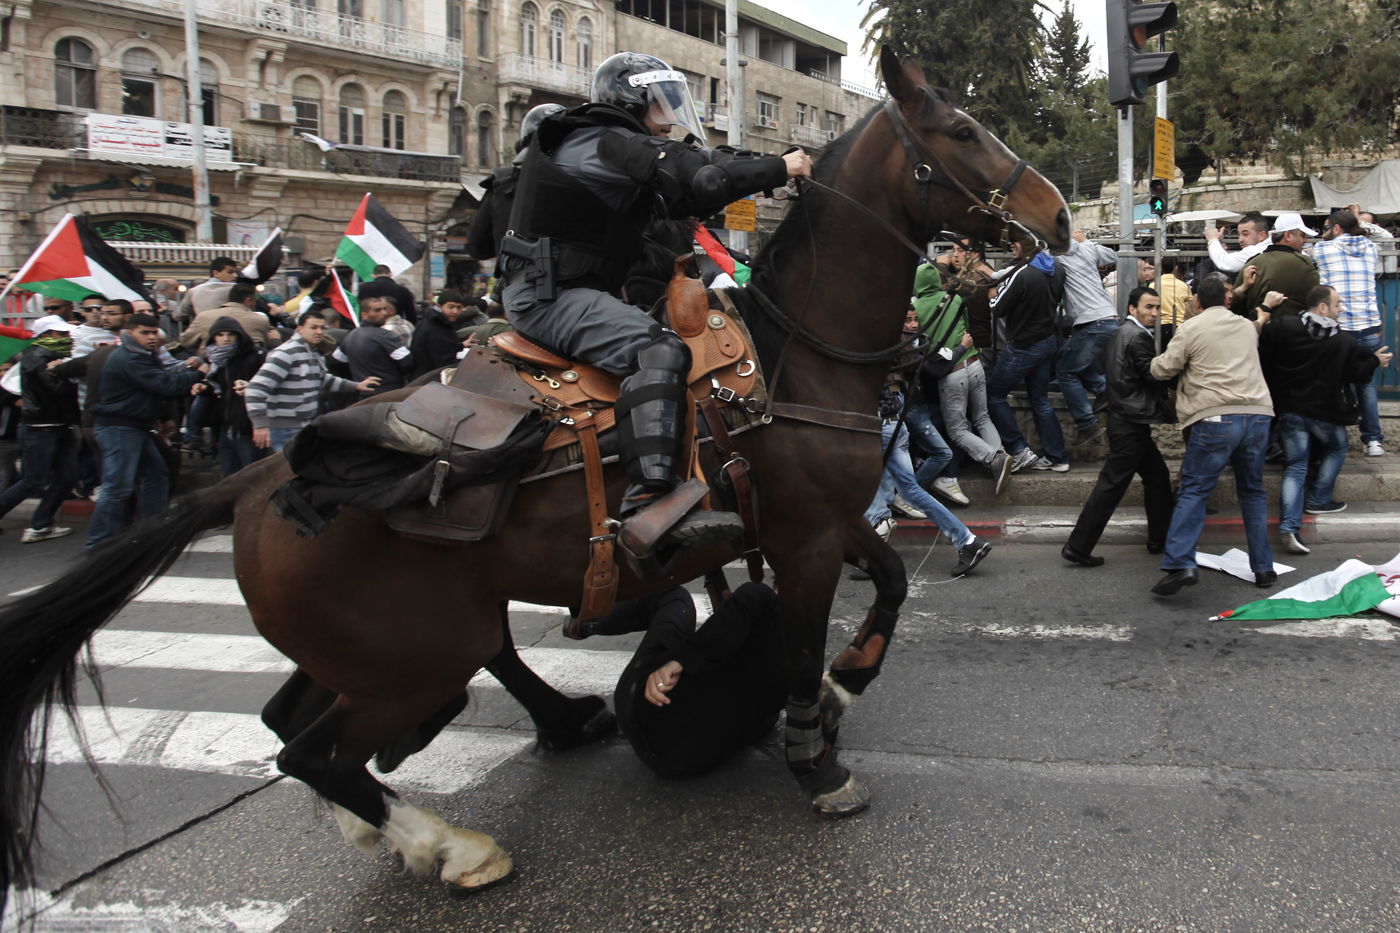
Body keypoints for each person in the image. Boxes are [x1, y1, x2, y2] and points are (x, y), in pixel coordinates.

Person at [500, 51, 810, 547]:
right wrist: (780, 165)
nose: (670, 116)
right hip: (550, 296)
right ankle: (649, 503)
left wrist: (764, 170)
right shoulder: (598, 140)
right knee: (659, 350)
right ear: (633, 100)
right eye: (662, 102)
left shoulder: (617, 149)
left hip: (584, 289)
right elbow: (700, 174)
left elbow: (691, 191)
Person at [1148, 274, 1276, 596]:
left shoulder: (1191, 327)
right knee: (1253, 492)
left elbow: (1165, 368)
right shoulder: (1246, 327)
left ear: (1196, 302)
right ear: (1226, 299)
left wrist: (1148, 364)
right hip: (1258, 416)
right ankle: (1263, 568)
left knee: (1194, 490)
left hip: (1215, 417)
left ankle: (1180, 563)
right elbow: (1256, 329)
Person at [576, 583, 786, 777]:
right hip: (682, 764)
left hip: (644, 706)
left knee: (676, 598)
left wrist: (680, 660)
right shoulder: (803, 666)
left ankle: (590, 623)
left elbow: (745, 605)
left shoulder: (757, 598)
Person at [1259, 284, 1390, 554]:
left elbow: (1265, 353)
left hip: (1290, 410)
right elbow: (1354, 374)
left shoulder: (1284, 327)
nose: (1341, 308)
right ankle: (1318, 498)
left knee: (1295, 467)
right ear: (1322, 307)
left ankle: (1289, 528)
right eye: (1337, 304)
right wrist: (1375, 360)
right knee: (1338, 446)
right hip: (1324, 414)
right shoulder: (1343, 341)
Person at [1062, 288, 1175, 567]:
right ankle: (1078, 546)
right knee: (1111, 485)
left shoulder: (1122, 332)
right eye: (1148, 307)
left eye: (1157, 307)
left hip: (1126, 418)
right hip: (1129, 422)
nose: (1154, 313)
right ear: (1132, 308)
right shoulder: (1137, 336)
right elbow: (1151, 375)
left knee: (1157, 478)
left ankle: (1160, 538)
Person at [87, 313, 208, 548]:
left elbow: (154, 387)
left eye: (154, 332)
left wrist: (162, 416)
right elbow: (163, 384)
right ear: (129, 333)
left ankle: (150, 530)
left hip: (134, 425)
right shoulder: (131, 358)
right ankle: (100, 541)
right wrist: (200, 372)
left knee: (156, 474)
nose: (152, 337)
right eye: (145, 332)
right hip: (119, 427)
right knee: (118, 486)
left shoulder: (142, 355)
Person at [917, 255, 1012, 497]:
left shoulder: (916, 309)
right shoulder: (955, 298)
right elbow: (966, 326)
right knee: (982, 417)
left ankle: (994, 459)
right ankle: (1002, 459)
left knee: (957, 430)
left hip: (952, 373)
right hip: (974, 362)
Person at [985, 235, 1069, 473]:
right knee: (1040, 400)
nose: (1012, 245)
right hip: (1046, 341)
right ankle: (1057, 457)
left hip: (1023, 346)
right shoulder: (1056, 269)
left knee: (994, 395)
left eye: (1016, 241)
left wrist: (991, 293)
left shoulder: (1021, 274)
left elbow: (997, 308)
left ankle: (1019, 449)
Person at [0, 314, 85, 543]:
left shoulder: (52, 356)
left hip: (58, 426)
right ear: (47, 336)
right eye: (62, 334)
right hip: (40, 428)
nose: (68, 338)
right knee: (33, 481)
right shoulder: (38, 357)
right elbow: (58, 390)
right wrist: (66, 371)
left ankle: (41, 524)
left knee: (67, 477)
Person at [1309, 208, 1386, 457]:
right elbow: (1383, 235)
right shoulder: (1370, 248)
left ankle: (1332, 437)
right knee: (1366, 384)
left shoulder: (1323, 249)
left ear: (1337, 229)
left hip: (1342, 329)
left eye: (1327, 227)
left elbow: (1314, 249)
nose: (1324, 232)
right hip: (1371, 327)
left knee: (1333, 379)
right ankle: (1373, 440)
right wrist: (1356, 219)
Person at [245, 310, 379, 453]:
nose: (319, 332)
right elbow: (256, 389)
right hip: (283, 428)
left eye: (322, 328)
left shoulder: (312, 352)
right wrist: (259, 425)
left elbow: (323, 380)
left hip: (301, 425)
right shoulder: (286, 354)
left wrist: (357, 386)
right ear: (299, 329)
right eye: (313, 327)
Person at [466, 102, 566, 287]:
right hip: (573, 289)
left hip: (518, 290)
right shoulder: (582, 178)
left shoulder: (502, 183)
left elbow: (476, 245)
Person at [1055, 231, 1121, 447]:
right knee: (1074, 360)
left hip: (1094, 322)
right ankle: (1103, 391)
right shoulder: (1086, 248)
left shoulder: (1055, 254)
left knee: (1065, 371)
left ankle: (1087, 424)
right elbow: (1113, 257)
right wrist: (1087, 241)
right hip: (1107, 318)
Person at [193, 317, 267, 476]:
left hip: (248, 428)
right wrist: (204, 387)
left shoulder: (254, 356)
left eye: (230, 335)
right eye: (220, 335)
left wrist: (250, 387)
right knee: (229, 478)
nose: (225, 339)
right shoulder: (215, 359)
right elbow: (222, 388)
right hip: (226, 427)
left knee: (251, 477)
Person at [1235, 212, 1321, 318]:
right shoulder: (1303, 263)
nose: (1305, 240)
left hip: (1258, 328)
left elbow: (1235, 300)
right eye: (1302, 235)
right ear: (1288, 235)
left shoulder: (1253, 262)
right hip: (1294, 331)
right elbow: (1318, 299)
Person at [331, 296, 414, 395]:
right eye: (377, 310)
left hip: (364, 393)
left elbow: (337, 361)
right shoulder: (384, 336)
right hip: (389, 393)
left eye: (384, 309)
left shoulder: (351, 335)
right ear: (364, 314)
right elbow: (408, 362)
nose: (384, 313)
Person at [179, 282, 274, 350]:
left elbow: (185, 341)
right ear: (248, 300)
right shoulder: (260, 320)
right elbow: (266, 344)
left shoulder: (204, 316)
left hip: (210, 367)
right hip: (250, 370)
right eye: (254, 301)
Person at [410, 288, 472, 376]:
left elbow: (443, 347)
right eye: (451, 307)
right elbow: (443, 360)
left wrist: (461, 345)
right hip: (429, 378)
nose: (455, 311)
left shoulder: (437, 322)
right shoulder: (435, 326)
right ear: (440, 306)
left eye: (459, 307)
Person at [1204, 212, 1271, 275]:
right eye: (1239, 234)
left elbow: (1225, 263)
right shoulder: (1271, 243)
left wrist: (1212, 240)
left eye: (1245, 234)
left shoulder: (1256, 251)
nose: (1240, 239)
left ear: (1262, 235)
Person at [177, 257, 241, 323]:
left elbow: (178, 315)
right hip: (230, 329)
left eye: (235, 272)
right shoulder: (237, 289)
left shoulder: (193, 291)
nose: (235, 275)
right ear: (216, 273)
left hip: (202, 329)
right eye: (230, 272)